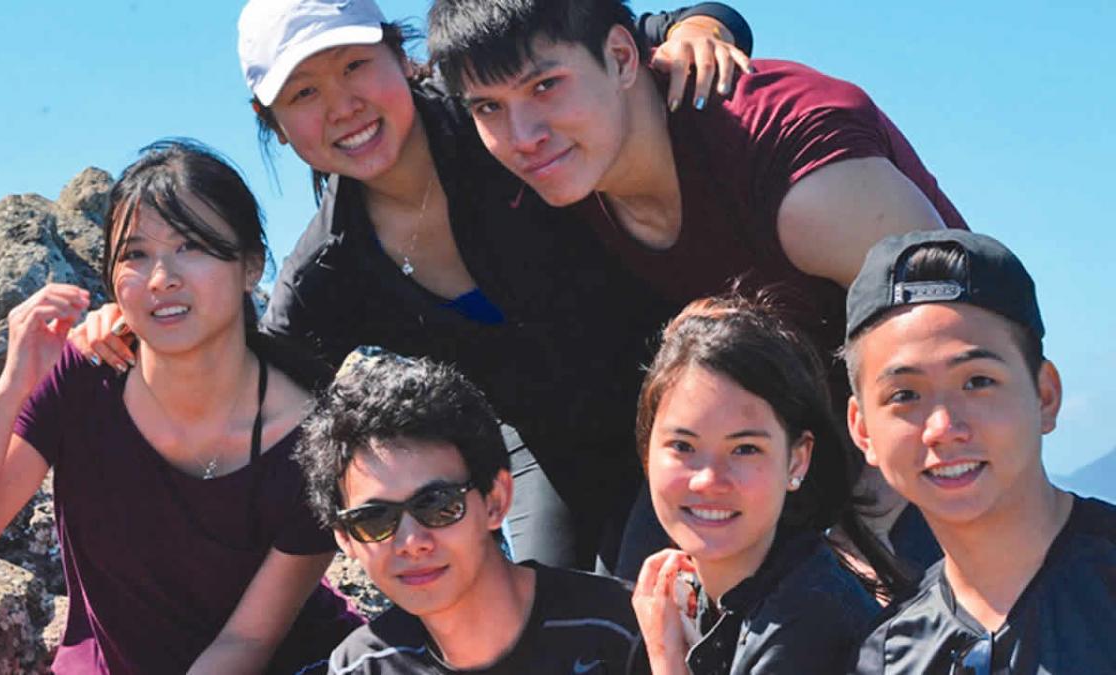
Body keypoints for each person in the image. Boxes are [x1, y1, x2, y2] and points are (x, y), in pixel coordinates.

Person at [75, 0, 757, 573]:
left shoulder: (496, 116)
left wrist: (698, 25)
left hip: (692, 400)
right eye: (304, 94)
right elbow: (250, 377)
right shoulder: (327, 272)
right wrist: (142, 324)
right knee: (550, 621)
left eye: (354, 66)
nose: (343, 106)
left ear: (401, 57)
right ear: (272, 123)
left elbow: (620, 37)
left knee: (654, 583)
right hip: (551, 460)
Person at [425, 0, 968, 570]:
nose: (523, 136)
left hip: (928, 435)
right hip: (760, 439)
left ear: (621, 58)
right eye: (489, 107)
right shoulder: (563, 174)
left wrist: (871, 528)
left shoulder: (793, 170)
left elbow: (955, 333)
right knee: (637, 596)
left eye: (546, 86)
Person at [0, 140, 360, 674]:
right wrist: (13, 387)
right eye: (134, 255)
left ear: (251, 265)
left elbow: (245, 642)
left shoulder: (313, 439)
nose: (161, 278)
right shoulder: (85, 378)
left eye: (191, 245)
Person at [843, 229, 1116, 673]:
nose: (944, 428)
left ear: (1045, 396)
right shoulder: (889, 655)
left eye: (978, 382)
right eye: (904, 394)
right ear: (863, 430)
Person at [298, 348, 651, 674]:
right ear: (344, 538)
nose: (412, 541)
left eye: (437, 504)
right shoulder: (362, 667)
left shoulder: (629, 630)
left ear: (495, 500)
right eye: (374, 520)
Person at [630, 297, 905, 674]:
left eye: (745, 449)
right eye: (683, 446)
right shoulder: (699, 600)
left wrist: (666, 660)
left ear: (797, 460)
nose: (709, 479)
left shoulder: (810, 623)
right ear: (646, 449)